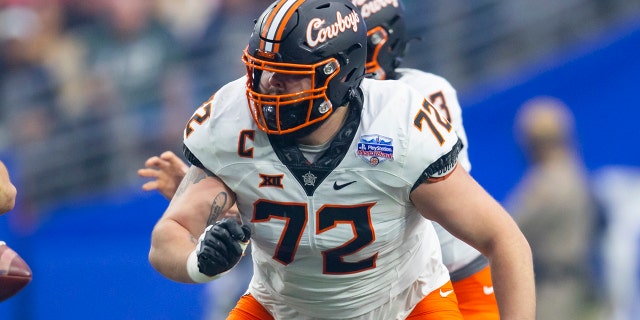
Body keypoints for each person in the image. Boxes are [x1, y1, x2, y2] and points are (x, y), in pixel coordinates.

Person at [148, 0, 535, 319]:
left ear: (340, 75)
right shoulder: (228, 120)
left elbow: (502, 238)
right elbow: (168, 236)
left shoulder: (398, 123)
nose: (268, 86)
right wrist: (199, 263)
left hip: (401, 304)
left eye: (288, 75)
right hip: (282, 307)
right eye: (261, 70)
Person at [504, 96, 599, 320]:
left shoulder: (545, 185)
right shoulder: (575, 173)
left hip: (553, 291)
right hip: (580, 284)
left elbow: (508, 229)